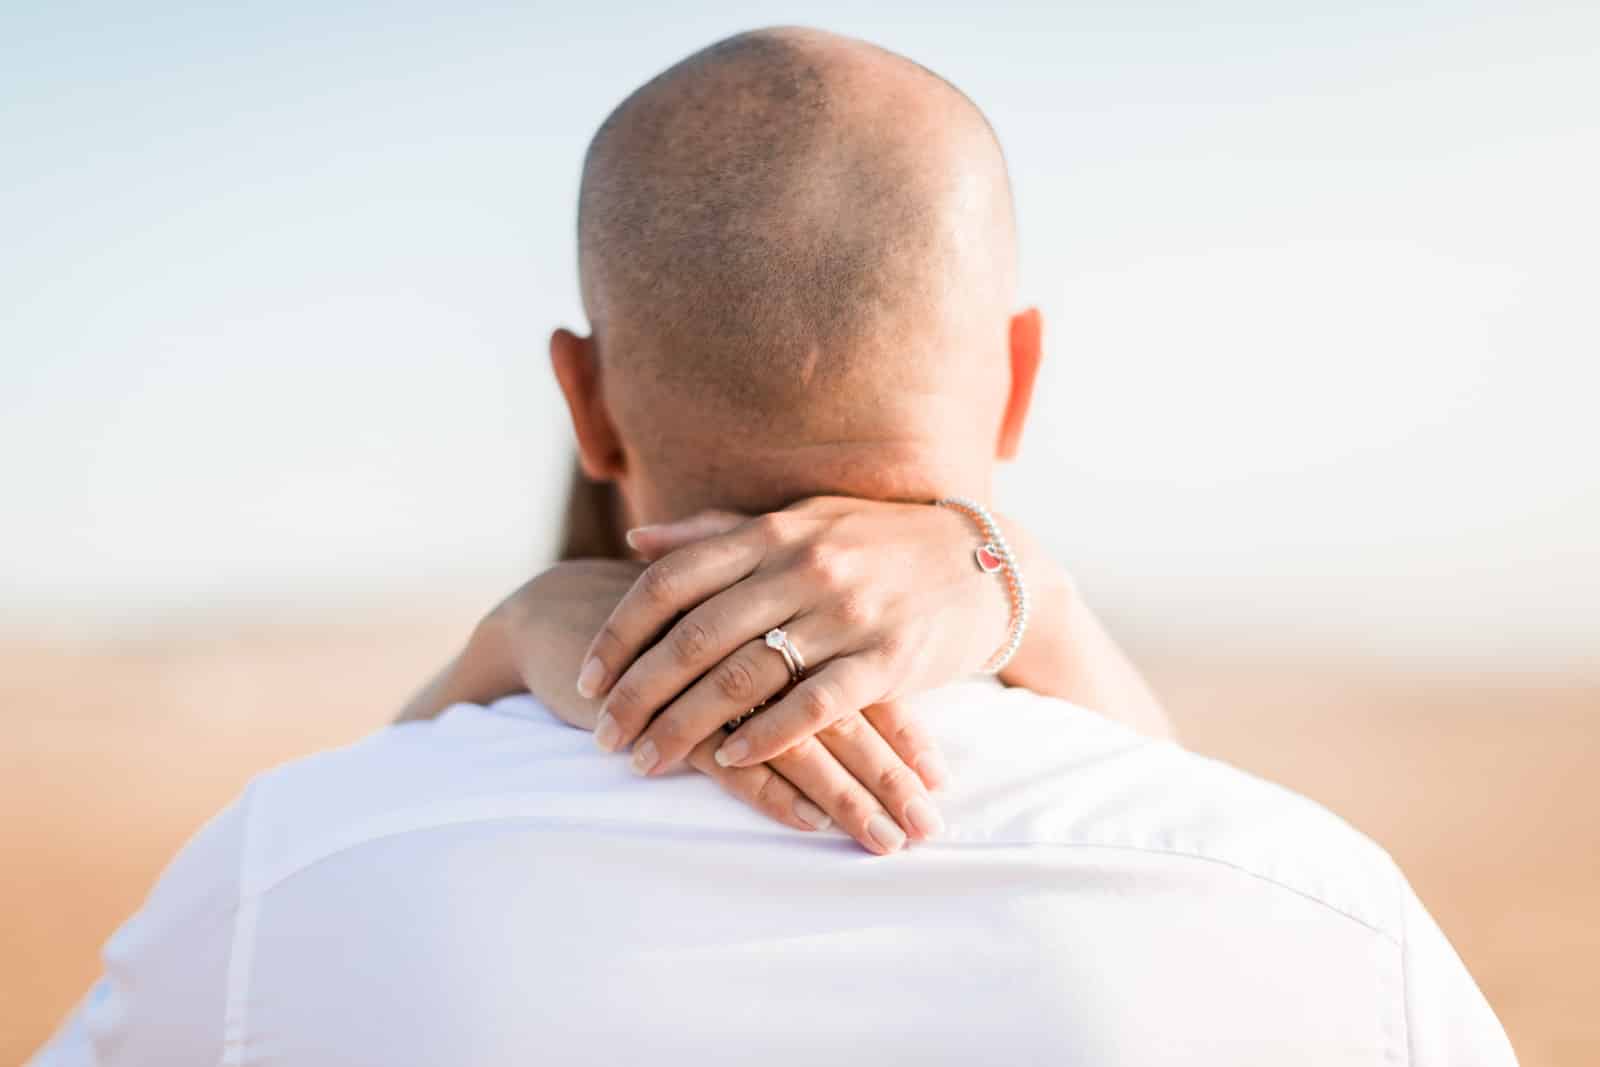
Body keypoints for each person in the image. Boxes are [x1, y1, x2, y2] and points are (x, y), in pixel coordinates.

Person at [32, 26, 1515, 1066]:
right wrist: (1021, 582)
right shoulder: (1308, 908)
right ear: (1019, 374)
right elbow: (1192, 833)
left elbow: (327, 890)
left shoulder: (286, 881)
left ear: (583, 398)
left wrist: (499, 647)